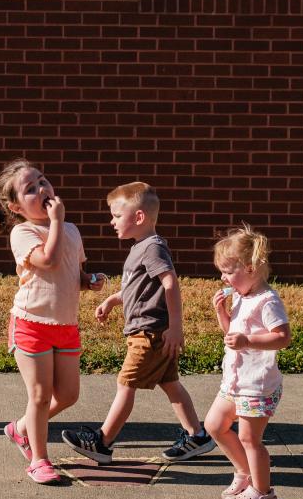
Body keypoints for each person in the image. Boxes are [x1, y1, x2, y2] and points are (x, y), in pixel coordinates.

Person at [0, 159, 105, 485]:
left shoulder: (70, 229)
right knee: (40, 395)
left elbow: (71, 272)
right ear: (15, 206)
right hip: (32, 324)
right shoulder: (23, 232)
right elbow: (48, 260)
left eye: (43, 181)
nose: (42, 189)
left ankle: (21, 427)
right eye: (31, 189)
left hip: (65, 325)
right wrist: (56, 221)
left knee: (68, 395)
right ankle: (39, 459)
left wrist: (90, 280)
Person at [61, 182, 216, 465]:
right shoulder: (140, 248)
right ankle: (197, 435)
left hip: (151, 333)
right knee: (170, 383)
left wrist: (176, 326)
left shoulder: (153, 248)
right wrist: (112, 300)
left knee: (126, 384)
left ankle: (103, 442)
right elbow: (138, 288)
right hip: (148, 331)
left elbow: (170, 283)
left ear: (139, 217)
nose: (112, 221)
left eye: (117, 216)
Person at [204, 225, 290, 499]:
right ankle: (244, 472)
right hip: (235, 382)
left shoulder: (268, 301)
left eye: (228, 271)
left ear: (251, 268)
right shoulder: (243, 296)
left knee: (249, 438)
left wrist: (248, 339)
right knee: (214, 425)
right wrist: (222, 314)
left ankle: (263, 492)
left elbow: (282, 337)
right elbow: (233, 337)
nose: (223, 277)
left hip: (257, 385)